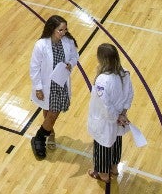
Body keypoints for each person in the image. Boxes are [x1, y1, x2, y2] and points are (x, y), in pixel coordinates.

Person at [30, 15, 79, 159]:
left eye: (65, 29)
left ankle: (39, 137)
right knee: (48, 112)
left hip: (61, 83)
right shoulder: (41, 45)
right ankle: (50, 133)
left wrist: (71, 63)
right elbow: (34, 67)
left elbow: (75, 56)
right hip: (46, 85)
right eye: (60, 30)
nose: (63, 33)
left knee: (53, 113)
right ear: (52, 29)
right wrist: (38, 87)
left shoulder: (68, 42)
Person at [87, 43, 134, 183]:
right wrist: (123, 113)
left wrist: (116, 116)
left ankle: (103, 175)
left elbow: (105, 105)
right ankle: (114, 168)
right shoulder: (124, 73)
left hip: (105, 119)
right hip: (118, 116)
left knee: (102, 145)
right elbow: (130, 93)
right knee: (116, 141)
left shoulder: (103, 79)